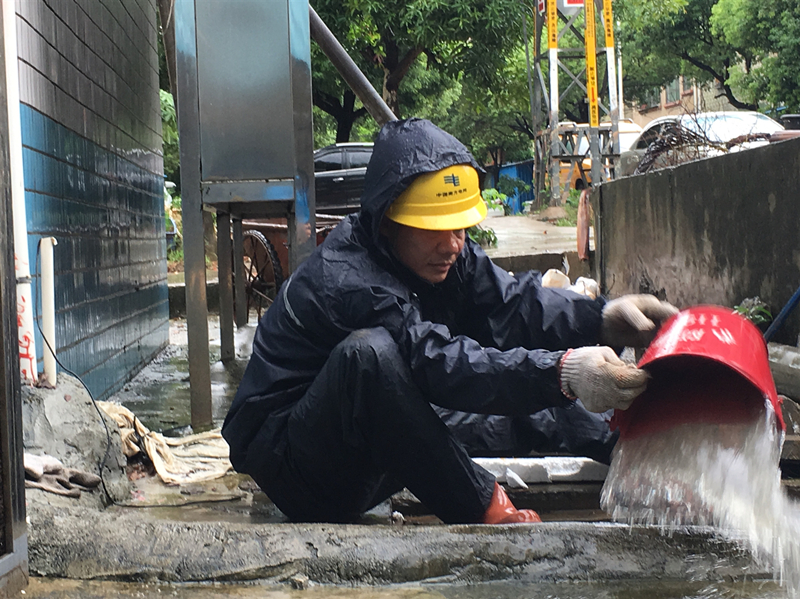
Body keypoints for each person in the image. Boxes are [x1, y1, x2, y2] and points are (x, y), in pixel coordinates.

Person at [222, 118, 677, 525]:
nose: (453, 245)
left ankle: (650, 456)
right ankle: (485, 508)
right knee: (371, 357)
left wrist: (601, 319)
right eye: (436, 229)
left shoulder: (443, 252)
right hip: (302, 471)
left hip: (376, 449)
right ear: (387, 223)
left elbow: (512, 304)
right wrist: (564, 371)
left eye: (460, 228)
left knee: (532, 409)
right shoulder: (349, 282)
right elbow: (442, 365)